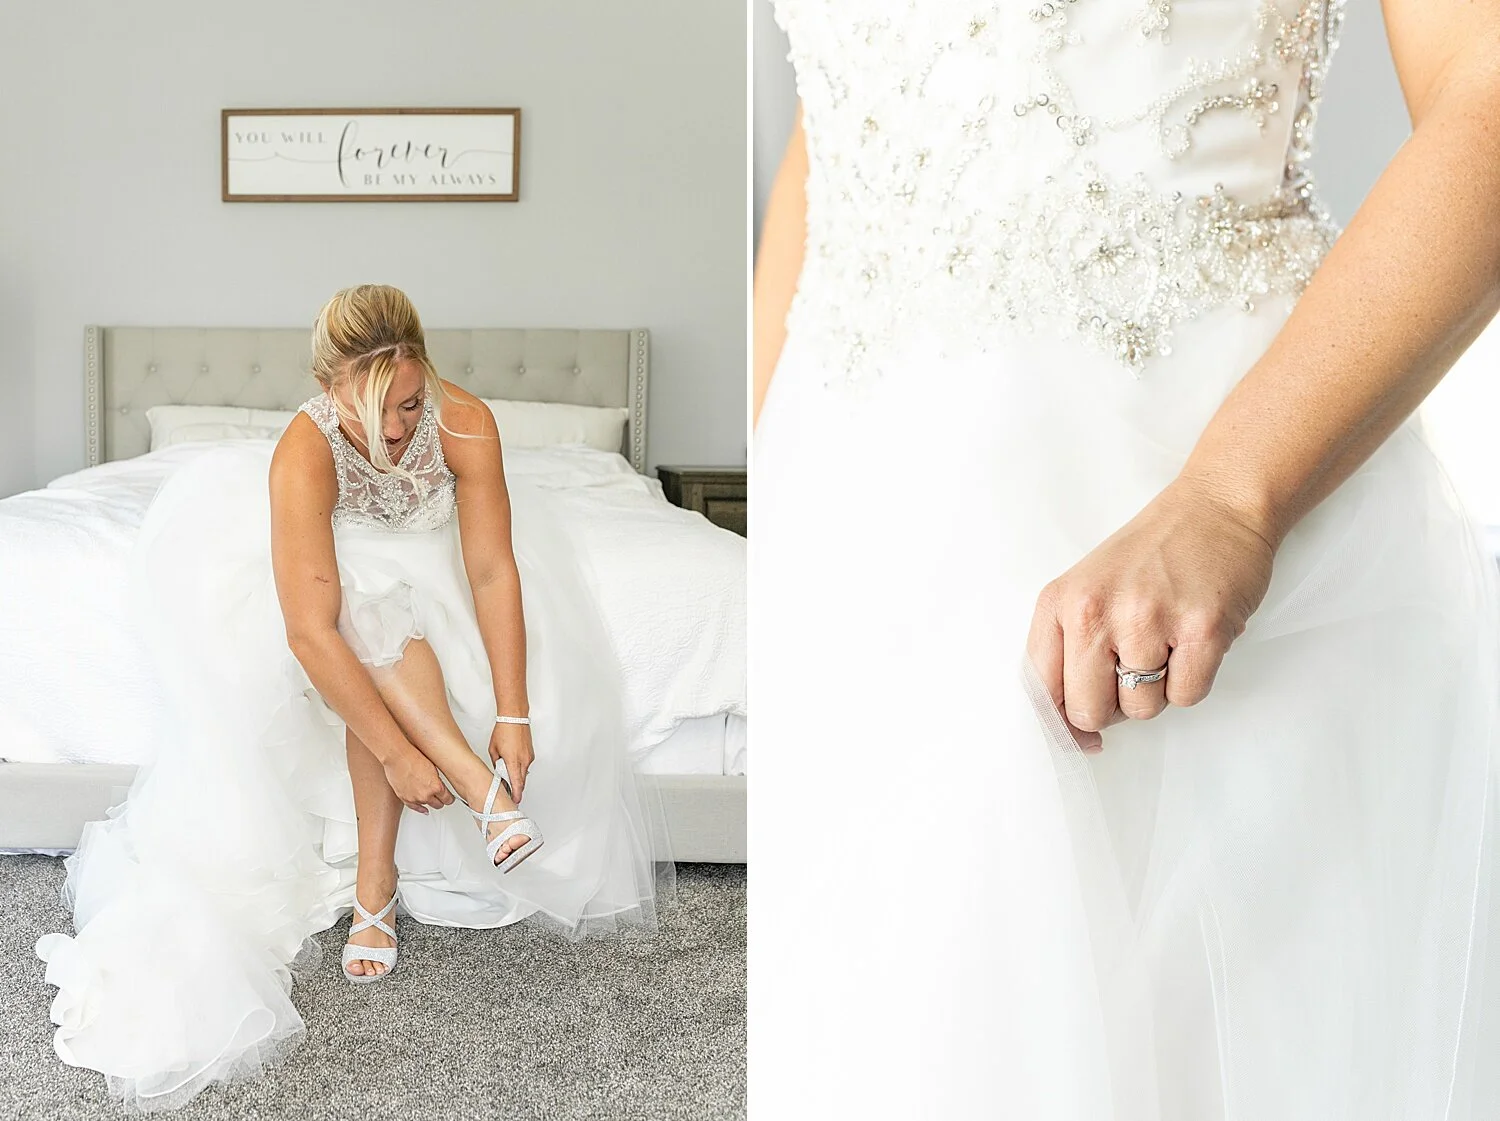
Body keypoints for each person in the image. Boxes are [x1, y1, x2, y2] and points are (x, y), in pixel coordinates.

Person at [752, 1, 1500, 1118]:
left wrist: (1230, 500)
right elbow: (837, 123)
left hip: (1186, 518)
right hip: (855, 529)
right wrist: (773, 494)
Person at [34, 284, 675, 1111]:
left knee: (391, 613)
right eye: (375, 411)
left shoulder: (465, 421)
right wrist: (398, 755)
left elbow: (490, 570)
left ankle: (388, 878)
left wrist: (514, 712)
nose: (398, 429)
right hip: (328, 593)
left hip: (434, 573)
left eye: (409, 403)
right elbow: (310, 631)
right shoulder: (306, 449)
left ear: (425, 372)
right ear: (329, 386)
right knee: (365, 609)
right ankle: (474, 797)